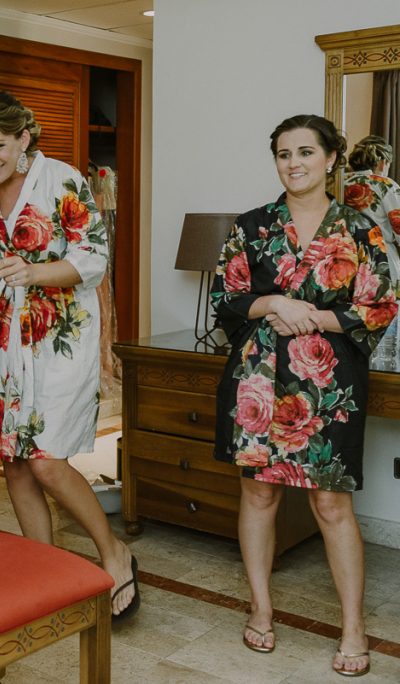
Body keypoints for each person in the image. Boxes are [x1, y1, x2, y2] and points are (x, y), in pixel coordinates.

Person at [0, 90, 138, 619]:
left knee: (47, 462)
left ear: (23, 138)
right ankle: (47, 571)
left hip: (59, 337)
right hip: (5, 341)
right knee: (14, 461)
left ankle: (114, 553)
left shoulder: (62, 181)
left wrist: (35, 272)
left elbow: (93, 259)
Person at [211, 114, 396, 677]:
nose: (294, 163)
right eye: (283, 154)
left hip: (330, 385)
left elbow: (380, 305)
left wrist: (311, 313)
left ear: (331, 159)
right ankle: (261, 610)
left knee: (331, 503)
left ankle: (353, 627)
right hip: (258, 379)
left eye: (305, 153)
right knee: (259, 496)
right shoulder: (251, 225)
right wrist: (274, 305)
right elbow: (227, 295)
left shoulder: (360, 229)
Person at [344, 135, 400, 282]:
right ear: (383, 163)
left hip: (346, 257)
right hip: (381, 258)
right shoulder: (384, 185)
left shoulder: (339, 183)